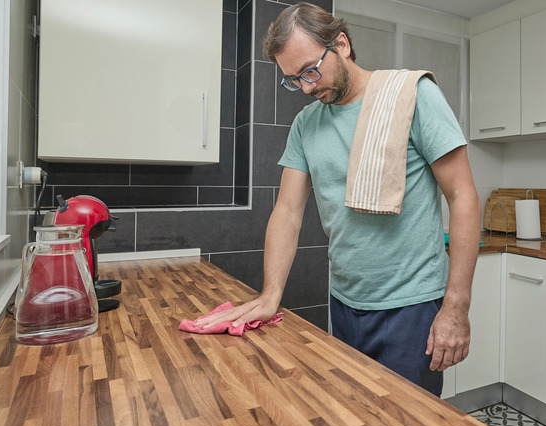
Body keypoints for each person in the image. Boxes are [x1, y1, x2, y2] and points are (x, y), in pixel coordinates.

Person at [195, 2, 481, 397]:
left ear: (342, 44)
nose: (307, 88)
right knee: (354, 414)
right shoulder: (306, 124)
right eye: (294, 80)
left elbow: (462, 195)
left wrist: (456, 307)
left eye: (311, 71)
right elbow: (288, 211)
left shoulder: (415, 96)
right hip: (345, 301)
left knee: (406, 423)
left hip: (412, 307)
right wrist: (270, 295)